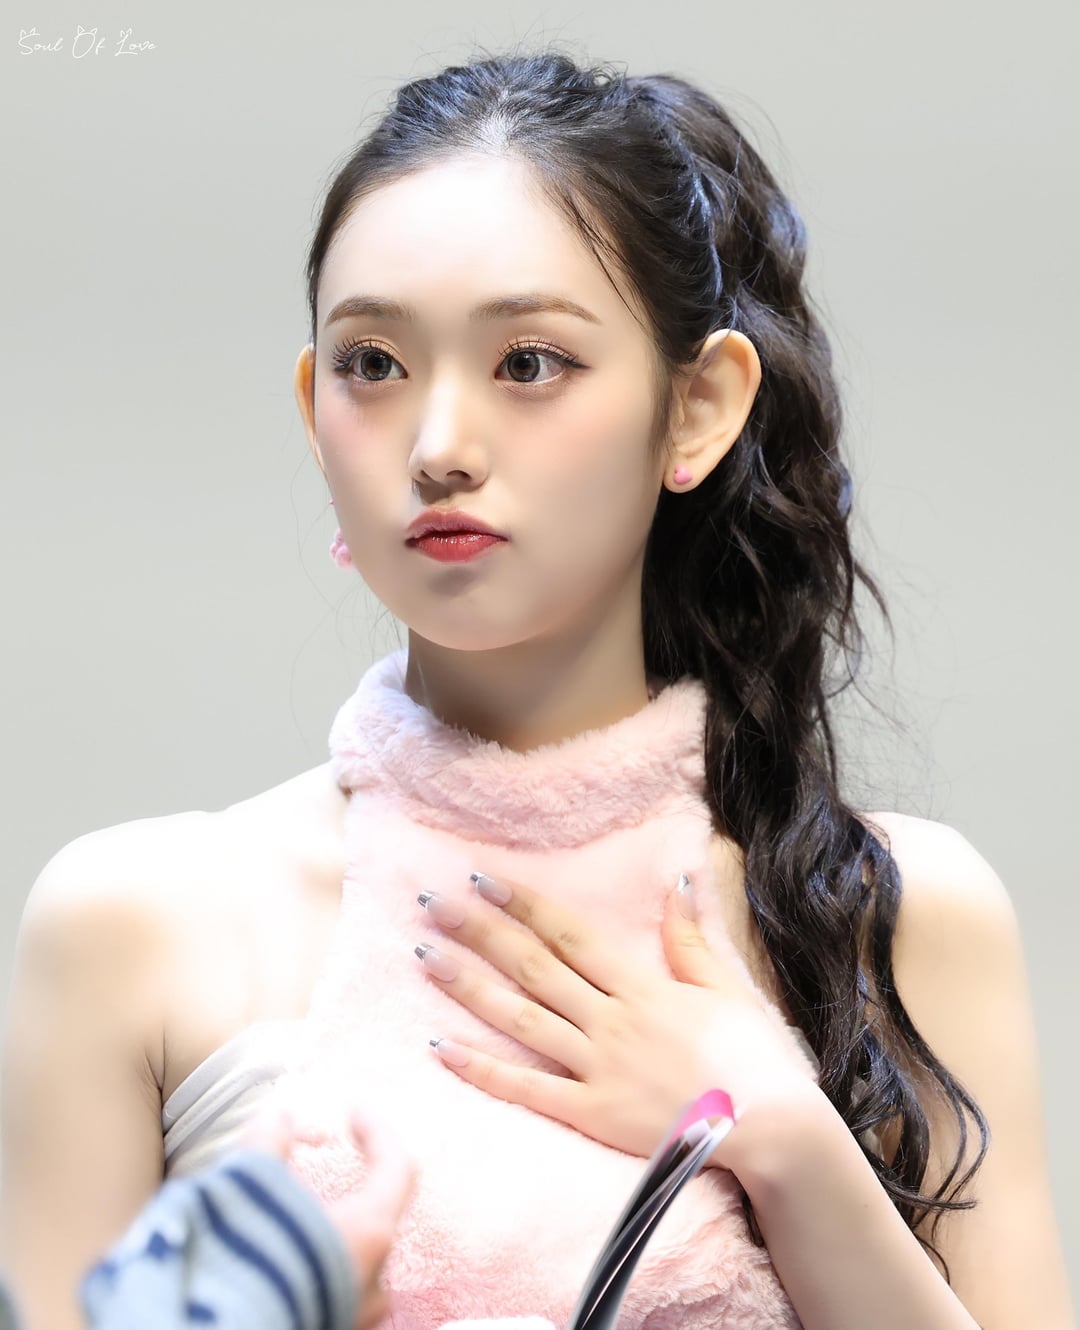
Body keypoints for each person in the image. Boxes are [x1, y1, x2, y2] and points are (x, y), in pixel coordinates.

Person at [1, 43, 1073, 1330]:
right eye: (372, 364)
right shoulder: (138, 925)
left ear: (699, 408)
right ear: (311, 407)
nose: (439, 446)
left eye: (528, 363)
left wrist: (784, 1137)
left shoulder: (891, 916)